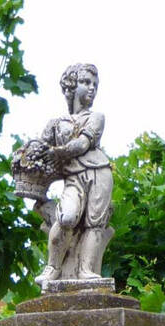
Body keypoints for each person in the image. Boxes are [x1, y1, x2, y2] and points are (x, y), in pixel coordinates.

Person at [35, 63, 114, 286]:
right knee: (67, 217)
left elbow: (81, 144)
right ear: (71, 86)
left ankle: (86, 270)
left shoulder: (97, 117)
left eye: (95, 84)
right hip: (73, 178)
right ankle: (53, 267)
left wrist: (57, 152)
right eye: (86, 82)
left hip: (99, 173)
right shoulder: (56, 123)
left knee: (95, 223)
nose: (92, 88)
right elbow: (38, 149)